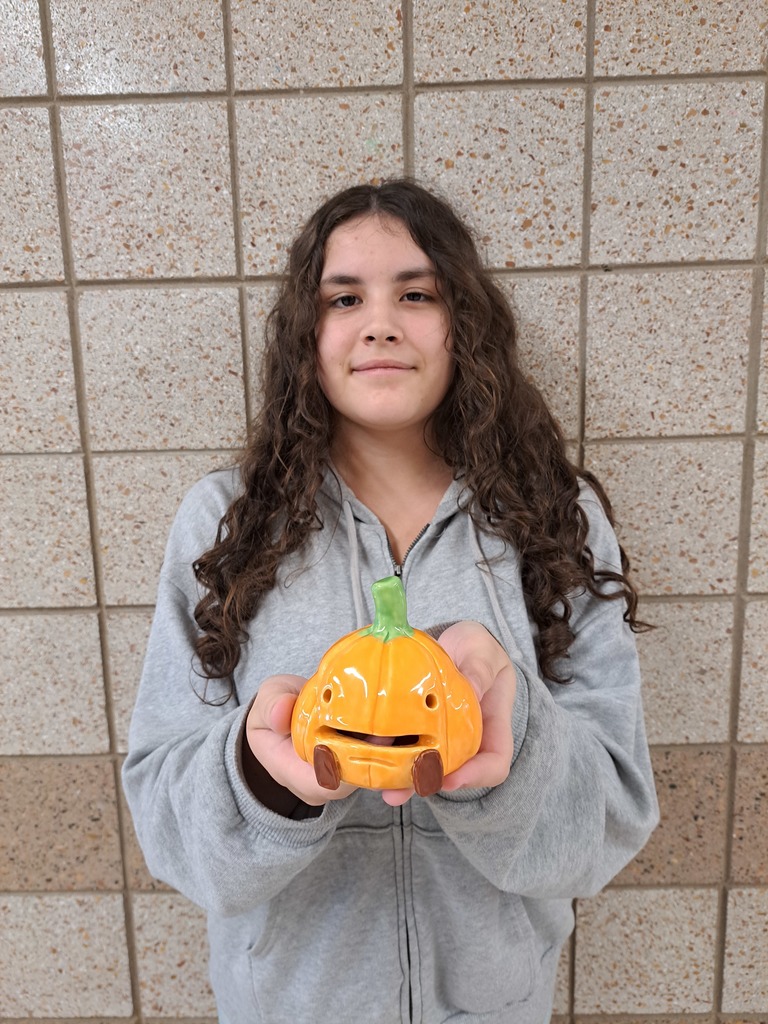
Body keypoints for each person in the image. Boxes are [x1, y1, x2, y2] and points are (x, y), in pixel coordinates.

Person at [122, 179, 659, 1024]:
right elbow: (165, 823)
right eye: (344, 299)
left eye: (416, 294)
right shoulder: (226, 521)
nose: (379, 324)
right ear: (306, 334)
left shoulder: (554, 515)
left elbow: (612, 818)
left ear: (464, 323)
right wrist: (264, 783)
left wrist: (510, 744)